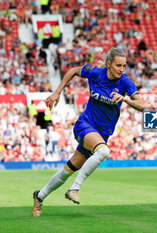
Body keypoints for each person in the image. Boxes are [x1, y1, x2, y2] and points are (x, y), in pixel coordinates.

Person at [32, 47, 145, 217]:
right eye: (118, 65)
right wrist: (57, 92)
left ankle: (39, 196)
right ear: (109, 64)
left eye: (124, 66)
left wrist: (125, 98)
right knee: (104, 151)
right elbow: (73, 71)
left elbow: (142, 106)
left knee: (67, 170)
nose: (122, 69)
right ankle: (74, 189)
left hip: (101, 134)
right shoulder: (95, 73)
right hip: (84, 125)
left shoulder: (125, 82)